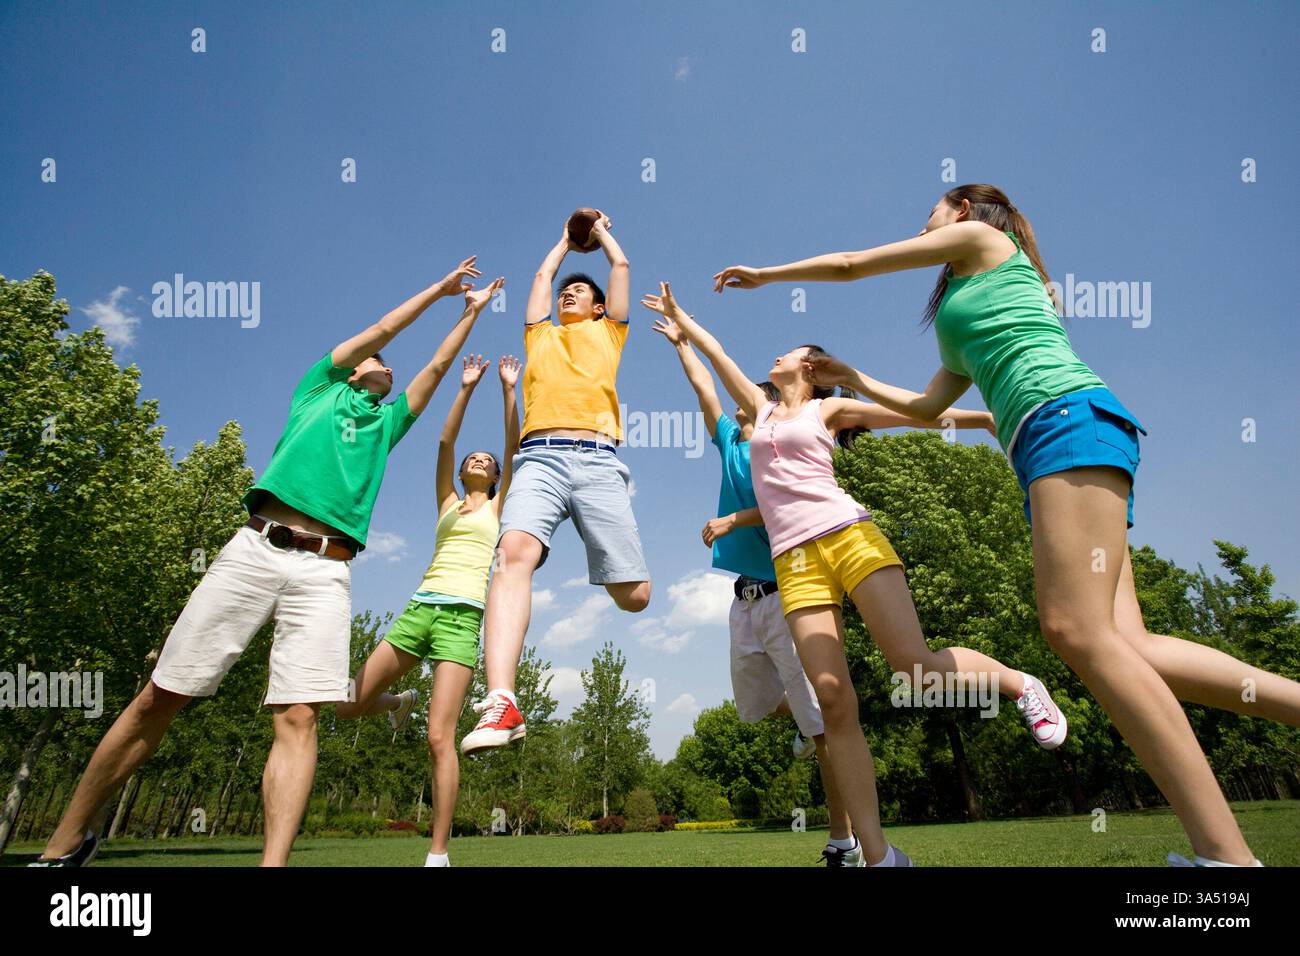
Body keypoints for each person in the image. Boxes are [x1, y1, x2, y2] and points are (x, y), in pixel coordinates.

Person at [713, 182, 1298, 866]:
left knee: (1073, 630)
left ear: (964, 209)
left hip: (1063, 421)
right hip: (1051, 441)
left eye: (933, 208)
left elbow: (849, 264)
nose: (925, 220)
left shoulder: (987, 242)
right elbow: (931, 407)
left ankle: (1225, 861)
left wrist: (768, 275)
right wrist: (857, 377)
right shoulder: (962, 312)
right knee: (1129, 645)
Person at [31, 261, 501, 867]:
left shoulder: (388, 426)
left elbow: (436, 368)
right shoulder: (319, 388)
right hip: (255, 548)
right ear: (352, 370)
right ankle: (63, 843)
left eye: (388, 366)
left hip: (328, 568)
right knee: (162, 694)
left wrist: (470, 314)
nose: (387, 365)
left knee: (301, 714)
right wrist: (441, 290)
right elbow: (384, 328)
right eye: (377, 362)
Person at [642, 281, 1066, 868]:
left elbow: (915, 414)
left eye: (788, 353)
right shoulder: (758, 414)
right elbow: (717, 359)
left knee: (913, 667)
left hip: (848, 537)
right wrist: (679, 317)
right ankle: (878, 856)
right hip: (793, 563)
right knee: (835, 701)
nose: (776, 357)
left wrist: (985, 418)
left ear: (810, 369)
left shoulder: (827, 409)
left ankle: (1021, 685)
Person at [653, 314, 859, 866]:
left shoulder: (785, 447)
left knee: (822, 729)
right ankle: (801, 716)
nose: (740, 402)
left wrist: (731, 522)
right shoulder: (732, 443)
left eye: (752, 397)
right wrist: (680, 346)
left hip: (790, 588)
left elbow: (780, 508)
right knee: (756, 709)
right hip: (743, 601)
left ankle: (844, 839)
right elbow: (703, 389)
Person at [461, 213, 651, 755]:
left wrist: (601, 233)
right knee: (511, 554)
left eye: (579, 292)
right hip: (539, 456)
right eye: (565, 289)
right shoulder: (539, 335)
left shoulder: (609, 332)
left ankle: (619, 565)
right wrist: (565, 244)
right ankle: (501, 700)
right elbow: (542, 281)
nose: (569, 292)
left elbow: (620, 264)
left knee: (634, 597)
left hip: (597, 460)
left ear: (597, 307)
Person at [334, 353, 520, 867]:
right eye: (472, 460)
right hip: (420, 610)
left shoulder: (500, 508)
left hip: (462, 620)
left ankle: (438, 853)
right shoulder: (446, 502)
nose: (479, 460)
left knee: (442, 737)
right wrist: (464, 387)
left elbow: (514, 445)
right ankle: (397, 702)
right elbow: (443, 441)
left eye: (488, 461)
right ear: (462, 472)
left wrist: (508, 390)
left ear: (497, 475)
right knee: (346, 704)